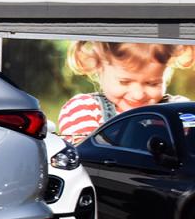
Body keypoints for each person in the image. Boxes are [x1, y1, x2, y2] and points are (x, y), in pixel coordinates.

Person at [57, 40, 195, 143]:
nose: (138, 95)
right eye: (125, 82)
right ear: (99, 68)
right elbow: (84, 160)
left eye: (152, 83)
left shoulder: (180, 111)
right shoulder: (85, 109)